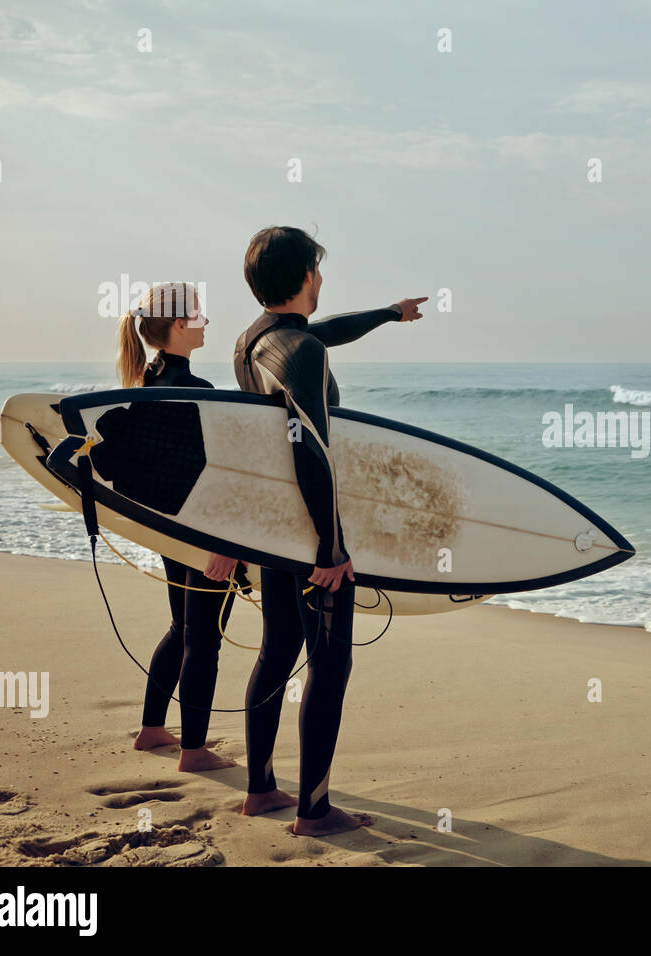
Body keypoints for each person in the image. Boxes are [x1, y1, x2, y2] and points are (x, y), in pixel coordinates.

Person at [234, 226, 424, 835]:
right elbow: (312, 447)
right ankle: (314, 811)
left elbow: (324, 332)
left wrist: (391, 314)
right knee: (329, 664)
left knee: (275, 652)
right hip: (313, 534)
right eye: (318, 269)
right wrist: (331, 546)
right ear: (307, 277)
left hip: (274, 531)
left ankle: (260, 789)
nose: (323, 279)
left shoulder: (253, 342)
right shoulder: (301, 352)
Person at [117, 282, 240, 772]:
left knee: (182, 627)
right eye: (199, 318)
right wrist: (222, 543)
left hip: (169, 531)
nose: (205, 324)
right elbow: (213, 478)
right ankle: (193, 750)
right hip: (202, 537)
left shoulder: (147, 383)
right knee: (204, 637)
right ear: (178, 326)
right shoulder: (195, 392)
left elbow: (162, 474)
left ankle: (151, 729)